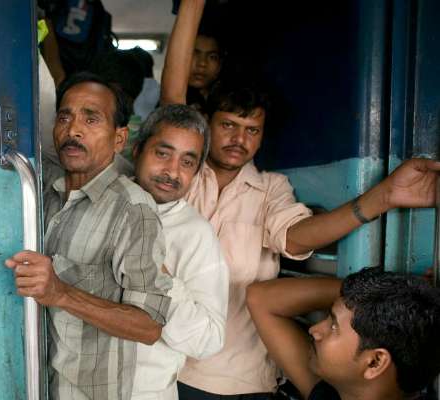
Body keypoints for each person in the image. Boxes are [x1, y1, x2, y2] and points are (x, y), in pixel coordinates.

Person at [173, 79, 440, 398]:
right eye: (228, 125)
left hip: (233, 377)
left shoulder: (271, 188)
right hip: (164, 361)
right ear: (205, 123)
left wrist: (381, 199)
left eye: (252, 130)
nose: (239, 139)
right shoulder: (178, 176)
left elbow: (295, 238)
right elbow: (170, 107)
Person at [6, 72, 172, 400]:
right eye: (65, 117)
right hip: (27, 388)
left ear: (119, 138)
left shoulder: (133, 210)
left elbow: (149, 326)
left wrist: (61, 293)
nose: (73, 130)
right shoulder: (39, 191)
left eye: (91, 119)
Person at [130, 104, 229, 400]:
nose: (172, 172)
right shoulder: (101, 203)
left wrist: (159, 276)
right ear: (137, 151)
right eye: (162, 154)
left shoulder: (196, 235)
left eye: (187, 162)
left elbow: (208, 341)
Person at [246, 268, 440, 400]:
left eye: (333, 326)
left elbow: (261, 300)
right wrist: (400, 295)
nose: (314, 330)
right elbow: (260, 299)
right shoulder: (336, 393)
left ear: (375, 361)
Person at [162, 0, 222, 112]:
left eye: (212, 57)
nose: (202, 63)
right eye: (195, 54)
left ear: (220, 65)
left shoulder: (224, 106)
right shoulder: (169, 104)